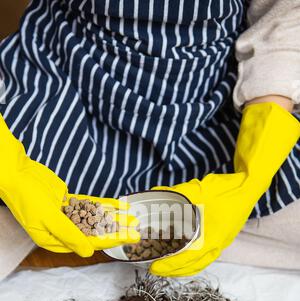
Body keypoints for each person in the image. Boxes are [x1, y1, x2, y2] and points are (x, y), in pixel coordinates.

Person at [0, 0, 300, 280]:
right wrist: (11, 170)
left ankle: (119, 236)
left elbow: (283, 19)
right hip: (66, 93)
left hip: (211, 104)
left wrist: (250, 178)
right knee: (23, 208)